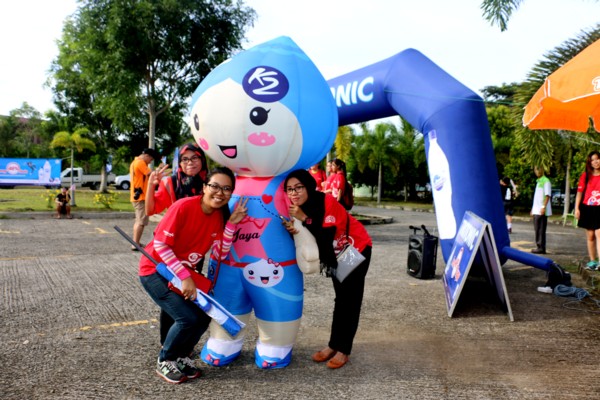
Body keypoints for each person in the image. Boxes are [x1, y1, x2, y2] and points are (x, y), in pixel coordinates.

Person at [138, 167, 248, 384]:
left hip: (182, 275)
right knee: (187, 318)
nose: (220, 192)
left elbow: (220, 253)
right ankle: (165, 359)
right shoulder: (183, 206)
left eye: (227, 189)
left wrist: (231, 225)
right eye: (215, 186)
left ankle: (180, 356)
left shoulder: (219, 217)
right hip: (155, 270)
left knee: (204, 316)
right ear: (205, 187)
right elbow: (161, 244)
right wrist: (184, 277)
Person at [283, 169, 372, 369]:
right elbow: (308, 237)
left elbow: (325, 235)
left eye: (299, 187)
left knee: (350, 301)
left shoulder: (326, 201)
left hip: (355, 248)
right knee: (341, 299)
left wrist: (304, 218)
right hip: (336, 256)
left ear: (309, 186)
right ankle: (333, 345)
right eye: (289, 189)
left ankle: (343, 350)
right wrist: (293, 230)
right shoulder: (296, 208)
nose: (294, 193)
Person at [145, 143, 208, 216]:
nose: (190, 162)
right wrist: (151, 185)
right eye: (184, 159)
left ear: (202, 160)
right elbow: (150, 211)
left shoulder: (211, 182)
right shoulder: (170, 184)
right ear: (180, 163)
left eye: (194, 158)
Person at [574, 150, 600, 270]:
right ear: (590, 163)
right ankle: (593, 261)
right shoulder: (585, 176)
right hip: (587, 208)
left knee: (599, 233)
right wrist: (576, 208)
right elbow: (579, 193)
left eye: (597, 159)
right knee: (590, 236)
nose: (595, 162)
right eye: (592, 160)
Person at [129, 148, 159, 251]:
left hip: (137, 195)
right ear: (147, 155)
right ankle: (135, 244)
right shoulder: (140, 163)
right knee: (141, 221)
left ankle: (136, 242)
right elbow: (151, 175)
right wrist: (159, 170)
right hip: (141, 196)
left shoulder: (135, 162)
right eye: (151, 159)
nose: (150, 162)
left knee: (139, 220)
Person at [530, 166, 551, 254]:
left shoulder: (546, 181)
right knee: (537, 229)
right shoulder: (538, 181)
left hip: (541, 210)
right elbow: (537, 197)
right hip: (536, 209)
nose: (536, 172)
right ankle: (538, 246)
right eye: (535, 170)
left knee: (541, 229)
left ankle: (541, 247)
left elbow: (547, 195)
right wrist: (533, 209)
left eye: (538, 169)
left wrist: (543, 207)